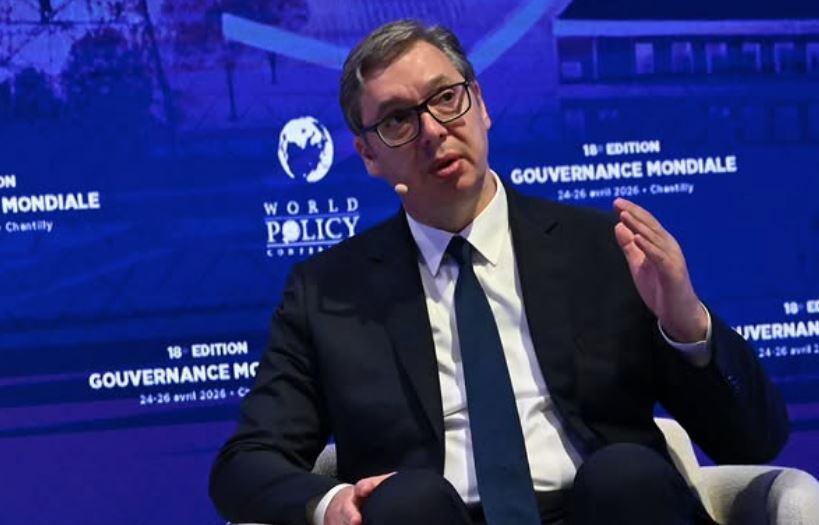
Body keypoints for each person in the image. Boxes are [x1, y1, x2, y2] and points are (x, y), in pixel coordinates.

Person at [210, 19, 789, 525]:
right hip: (434, 519)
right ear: (368, 155)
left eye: (446, 98)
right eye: (397, 120)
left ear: (481, 105)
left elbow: (753, 440)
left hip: (605, 510)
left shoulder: (603, 249)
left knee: (625, 476)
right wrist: (329, 503)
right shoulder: (328, 293)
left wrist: (686, 325)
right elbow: (245, 463)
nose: (433, 130)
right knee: (407, 503)